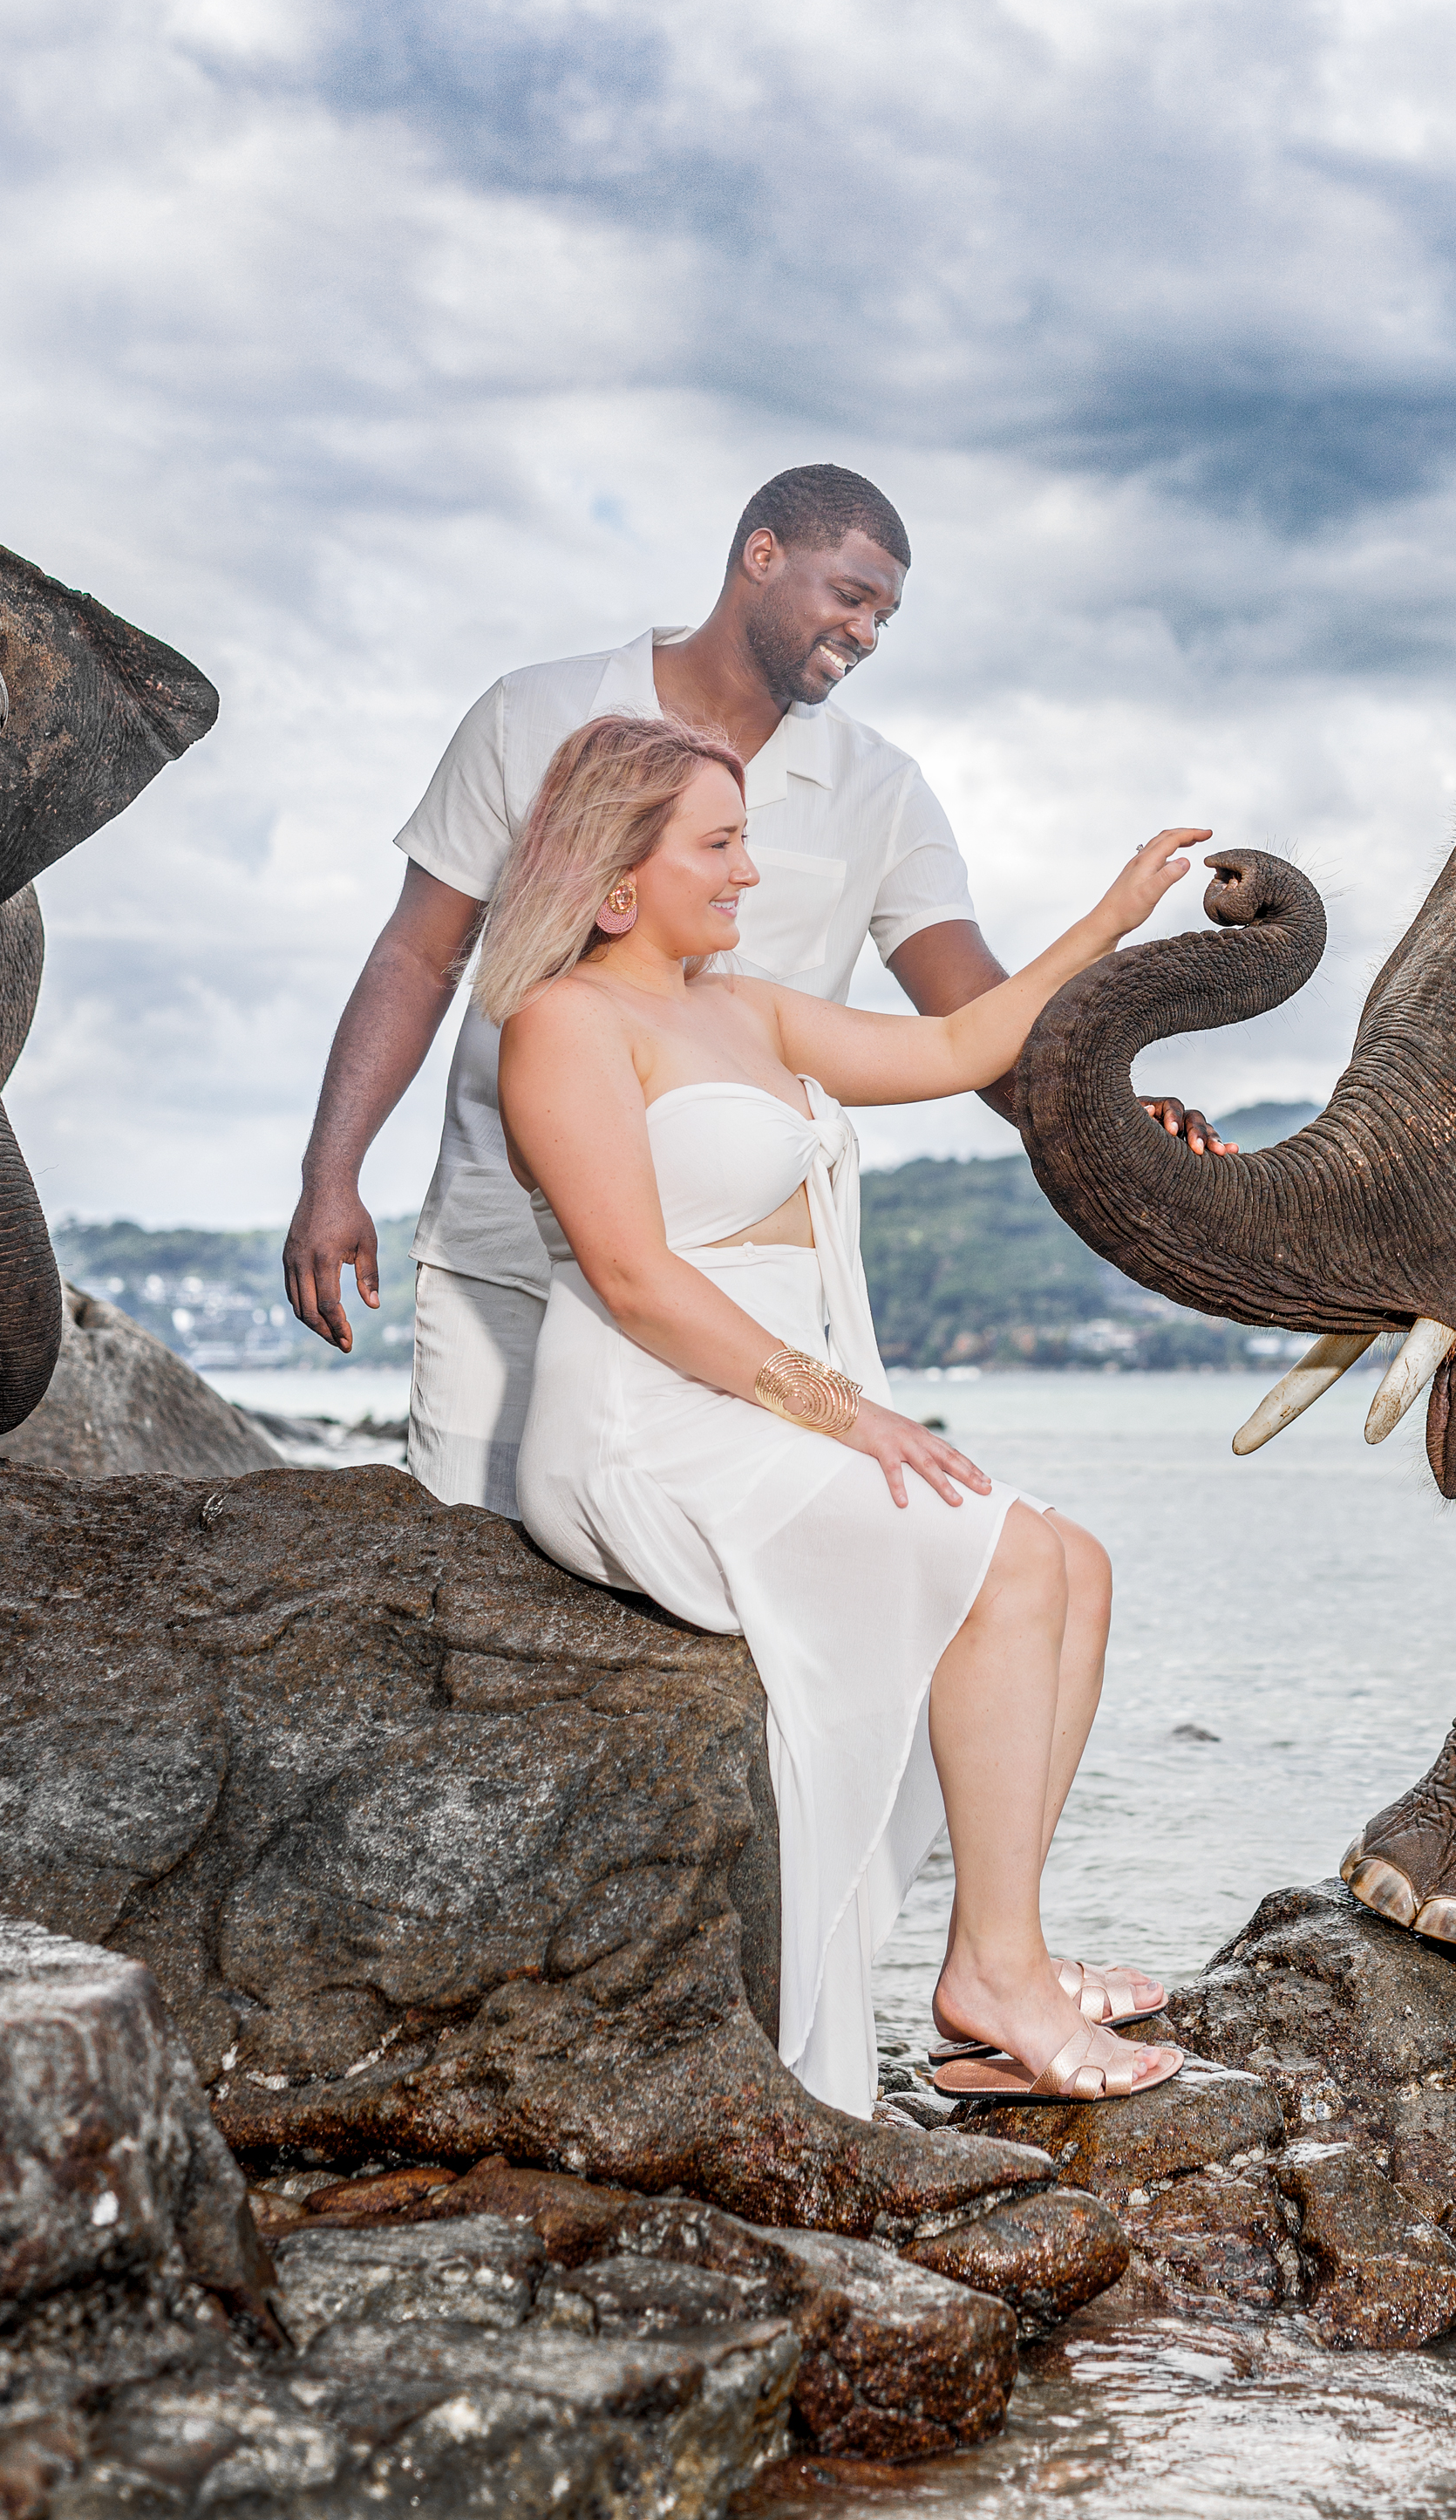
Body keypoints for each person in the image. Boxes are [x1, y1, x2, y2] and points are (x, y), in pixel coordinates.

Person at [485, 710, 1199, 2117]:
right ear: (616, 882)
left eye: (744, 838)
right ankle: (997, 1980)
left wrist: (1111, 921)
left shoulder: (745, 1008)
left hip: (764, 1405)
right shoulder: (564, 1026)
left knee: (1077, 1564)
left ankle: (1000, 1955)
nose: (749, 872)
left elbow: (962, 1043)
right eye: (719, 844)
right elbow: (635, 1281)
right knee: (1008, 1560)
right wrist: (843, 1414)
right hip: (648, 1418)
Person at [283, 461, 1228, 1515]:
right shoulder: (529, 713)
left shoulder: (883, 791)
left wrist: (1105, 1106)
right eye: (852, 595)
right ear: (761, 556)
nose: (867, 632)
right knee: (468, 1561)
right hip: (506, 1252)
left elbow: (970, 1023)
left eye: (885, 616)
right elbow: (417, 955)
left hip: (741, 1302)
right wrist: (333, 1173)